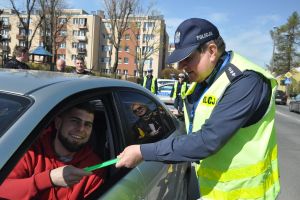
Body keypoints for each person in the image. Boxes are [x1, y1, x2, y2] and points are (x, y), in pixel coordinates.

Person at [115, 18, 280, 199]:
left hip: (247, 194)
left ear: (211, 51)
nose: (180, 67)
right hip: (215, 192)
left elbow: (207, 140)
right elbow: (196, 122)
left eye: (187, 59)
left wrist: (143, 151)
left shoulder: (245, 82)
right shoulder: (205, 80)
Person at [0, 102, 106, 199]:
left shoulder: (94, 167)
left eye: (87, 125)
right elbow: (3, 189)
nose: (81, 129)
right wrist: (48, 179)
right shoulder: (31, 152)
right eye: (75, 121)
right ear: (58, 123)